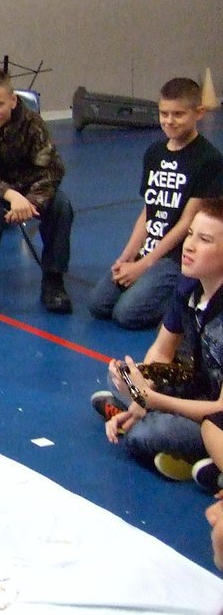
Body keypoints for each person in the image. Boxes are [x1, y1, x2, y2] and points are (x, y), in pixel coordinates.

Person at [92, 199, 223, 480]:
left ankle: (207, 459)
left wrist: (152, 400)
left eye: (205, 240)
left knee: (147, 435)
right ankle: (139, 413)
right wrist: (140, 391)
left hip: (217, 415)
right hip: (199, 389)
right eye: (190, 234)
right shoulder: (190, 285)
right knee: (122, 376)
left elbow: (219, 409)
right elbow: (162, 353)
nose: (188, 246)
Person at [88, 78, 223, 330]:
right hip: (149, 248)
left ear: (199, 113)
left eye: (178, 114)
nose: (169, 121)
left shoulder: (209, 160)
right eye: (164, 113)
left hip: (175, 257)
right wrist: (127, 256)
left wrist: (144, 265)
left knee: (127, 314)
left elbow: (187, 222)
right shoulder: (154, 153)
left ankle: (183, 297)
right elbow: (147, 213)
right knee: (98, 304)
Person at [0, 68, 74, 319]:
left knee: (61, 205)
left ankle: (53, 279)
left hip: (29, 190)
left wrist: (30, 202)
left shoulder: (32, 124)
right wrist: (10, 195)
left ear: (13, 100)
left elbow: (52, 170)